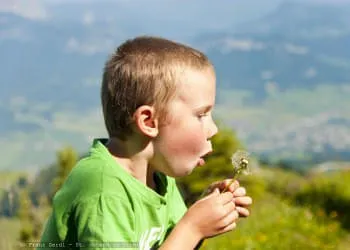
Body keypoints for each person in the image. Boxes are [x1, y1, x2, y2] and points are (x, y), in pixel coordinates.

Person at [39, 36, 252, 250]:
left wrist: (203, 218)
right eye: (201, 115)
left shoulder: (157, 176)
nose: (213, 129)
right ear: (149, 122)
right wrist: (192, 228)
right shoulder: (104, 192)